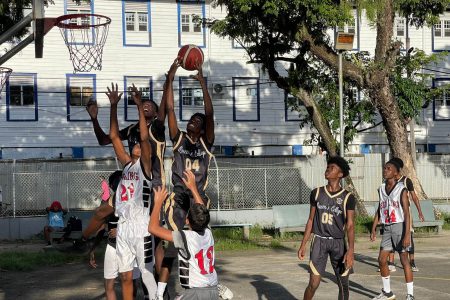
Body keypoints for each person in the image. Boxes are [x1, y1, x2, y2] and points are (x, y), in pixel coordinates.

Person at [107, 82, 157, 300]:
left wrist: (139, 107)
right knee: (126, 277)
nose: (136, 143)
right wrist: (114, 106)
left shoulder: (145, 166)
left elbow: (145, 138)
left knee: (146, 273)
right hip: (123, 227)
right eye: (134, 143)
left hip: (141, 227)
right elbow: (114, 137)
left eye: (139, 144)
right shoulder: (127, 164)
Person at [149, 170, 219, 299]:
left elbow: (153, 228)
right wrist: (193, 188)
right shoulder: (208, 233)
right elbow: (202, 210)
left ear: (187, 221)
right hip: (213, 290)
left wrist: (158, 203)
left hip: (196, 293)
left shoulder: (185, 237)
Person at [298, 156, 355, 300]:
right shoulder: (316, 193)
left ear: (340, 174)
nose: (328, 169)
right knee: (313, 283)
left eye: (332, 168)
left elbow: (350, 225)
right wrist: (303, 244)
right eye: (328, 167)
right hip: (319, 241)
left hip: (338, 242)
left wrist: (351, 250)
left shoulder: (348, 197)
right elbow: (310, 220)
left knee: (343, 284)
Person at [88, 170, 142, 300]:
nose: (120, 185)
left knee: (131, 282)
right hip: (112, 246)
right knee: (109, 284)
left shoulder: (136, 201)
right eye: (117, 183)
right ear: (112, 187)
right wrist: (93, 249)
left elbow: (144, 224)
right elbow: (101, 226)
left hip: (130, 247)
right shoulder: (107, 203)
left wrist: (121, 230)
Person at [370, 158, 414, 300]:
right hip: (386, 228)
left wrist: (407, 235)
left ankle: (410, 295)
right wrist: (373, 227)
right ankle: (387, 293)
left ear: (396, 174)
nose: (385, 170)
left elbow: (407, 214)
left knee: (403, 260)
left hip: (399, 227)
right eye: (384, 168)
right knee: (382, 260)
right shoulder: (381, 189)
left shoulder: (402, 190)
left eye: (388, 168)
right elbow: (379, 208)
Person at [385, 157, 424, 273]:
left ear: (397, 169)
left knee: (408, 237)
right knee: (390, 237)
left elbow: (414, 197)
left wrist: (420, 212)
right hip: (392, 214)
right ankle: (391, 263)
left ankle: (412, 262)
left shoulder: (406, 181)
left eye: (390, 167)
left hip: (405, 213)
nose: (387, 170)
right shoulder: (387, 181)